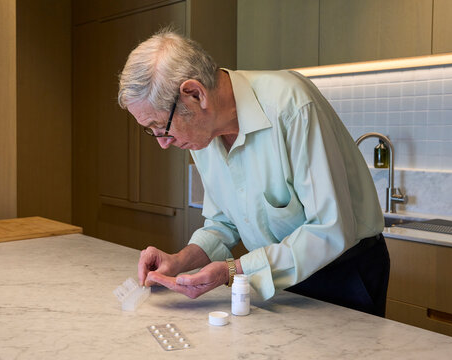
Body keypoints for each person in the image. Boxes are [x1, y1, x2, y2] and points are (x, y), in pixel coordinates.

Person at [118, 29, 390, 317]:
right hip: (273, 278)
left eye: (162, 128)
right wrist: (179, 260)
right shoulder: (201, 130)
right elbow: (223, 223)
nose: (163, 143)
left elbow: (329, 228)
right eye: (153, 132)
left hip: (343, 274)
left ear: (195, 94)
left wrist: (233, 270)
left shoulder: (290, 105)